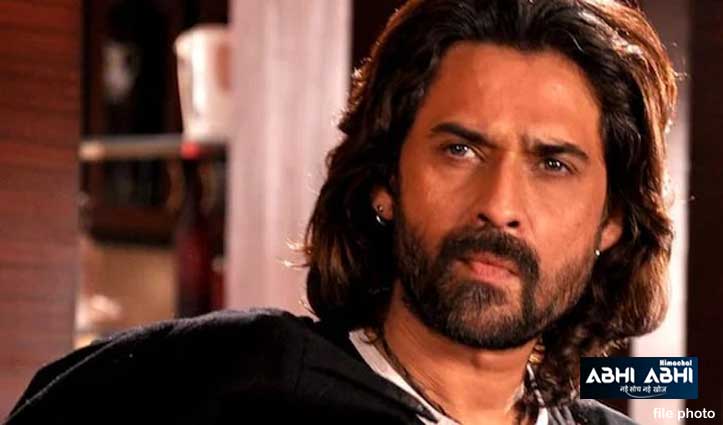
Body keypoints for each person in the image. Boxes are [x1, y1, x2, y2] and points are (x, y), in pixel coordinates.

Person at [6, 0, 676, 424]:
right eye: (460, 150)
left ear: (610, 221)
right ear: (385, 179)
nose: (499, 206)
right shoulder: (220, 382)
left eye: (552, 164)